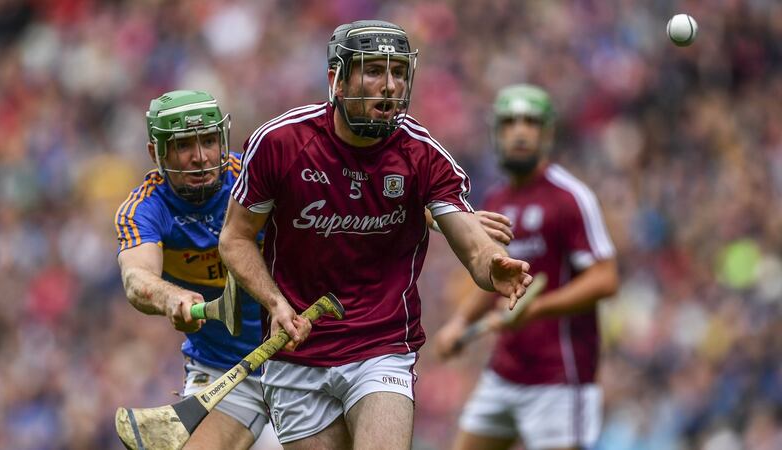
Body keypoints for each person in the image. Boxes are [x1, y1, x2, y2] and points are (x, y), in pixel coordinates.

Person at [218, 20, 533, 449]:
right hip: (296, 352)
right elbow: (235, 238)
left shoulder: (422, 154)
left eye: (399, 73)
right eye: (373, 71)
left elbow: (468, 236)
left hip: (380, 345)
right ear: (337, 81)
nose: (389, 86)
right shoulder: (280, 143)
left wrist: (489, 263)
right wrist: (275, 303)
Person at [114, 90, 311, 449]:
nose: (201, 157)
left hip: (304, 354)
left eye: (208, 141)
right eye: (184, 145)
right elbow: (136, 277)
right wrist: (171, 297)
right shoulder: (145, 207)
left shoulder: (255, 177)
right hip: (224, 370)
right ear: (155, 153)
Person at [433, 84, 620, 450]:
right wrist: (460, 323)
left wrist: (536, 309)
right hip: (506, 371)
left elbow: (605, 279)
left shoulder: (570, 198)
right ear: (496, 133)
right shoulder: (496, 199)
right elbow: (491, 278)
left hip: (559, 379)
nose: (520, 131)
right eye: (509, 122)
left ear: (547, 133)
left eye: (531, 122)